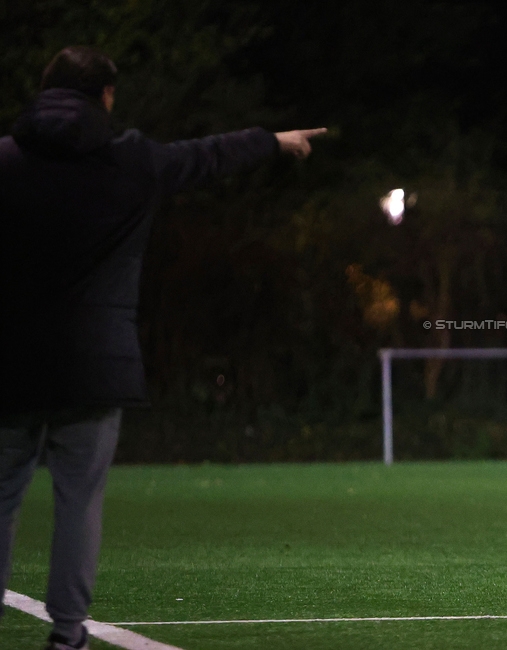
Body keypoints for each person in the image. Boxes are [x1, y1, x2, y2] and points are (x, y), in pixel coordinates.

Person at [0, 46, 328, 650]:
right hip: (93, 369)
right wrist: (272, 140)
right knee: (78, 504)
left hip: (9, 367)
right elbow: (206, 157)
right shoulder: (130, 163)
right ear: (106, 96)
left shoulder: (6, 161)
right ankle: (67, 635)